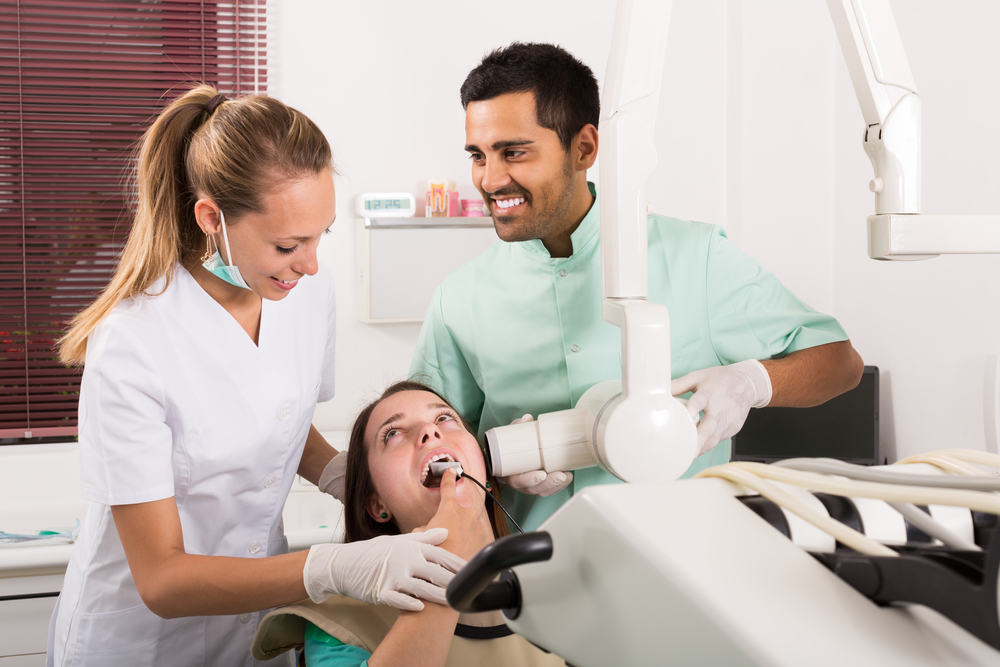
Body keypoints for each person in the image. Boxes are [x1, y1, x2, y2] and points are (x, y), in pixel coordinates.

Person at [49, 86, 463, 667]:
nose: (311, 263)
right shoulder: (134, 343)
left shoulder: (303, 286)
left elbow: (282, 419)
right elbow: (162, 580)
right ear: (211, 218)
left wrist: (355, 479)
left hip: (253, 628)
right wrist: (330, 568)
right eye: (288, 244)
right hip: (141, 642)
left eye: (321, 236)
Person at [410, 43, 865, 532]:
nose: (491, 178)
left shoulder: (697, 256)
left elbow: (840, 363)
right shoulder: (458, 299)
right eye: (478, 156)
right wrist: (496, 474)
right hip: (536, 578)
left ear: (584, 148)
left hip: (689, 562)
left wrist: (750, 383)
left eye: (514, 152)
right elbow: (427, 463)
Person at [250, 381, 567, 667]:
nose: (430, 432)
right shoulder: (339, 626)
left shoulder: (568, 587)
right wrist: (446, 567)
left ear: (485, 472)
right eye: (393, 434)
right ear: (377, 505)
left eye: (444, 418)